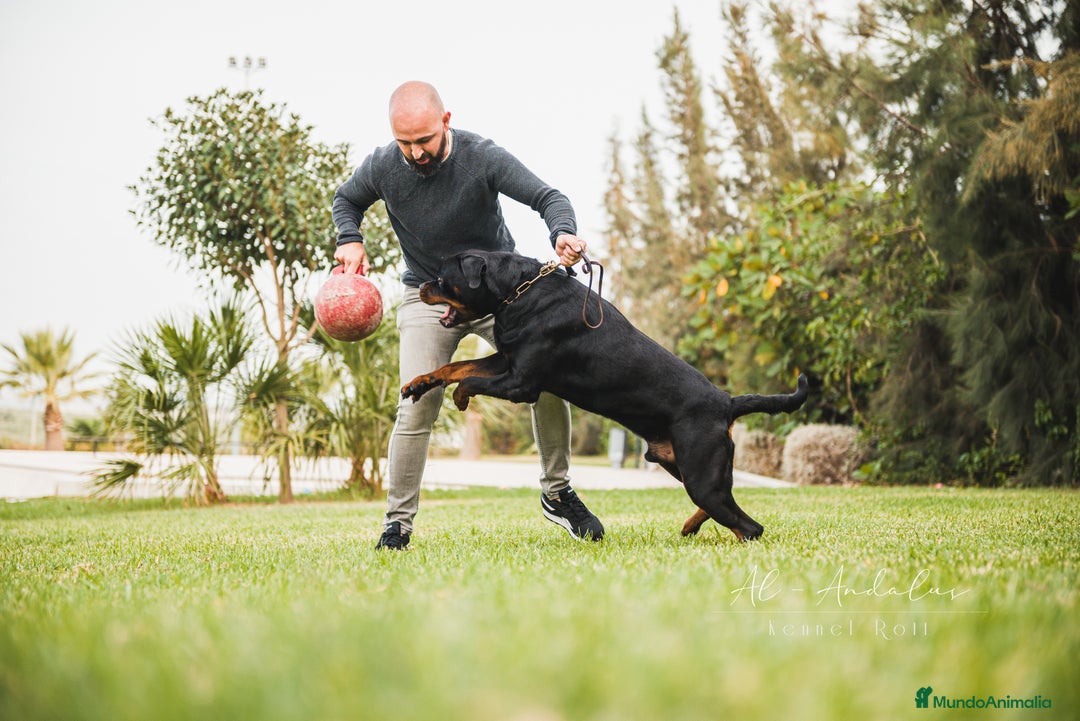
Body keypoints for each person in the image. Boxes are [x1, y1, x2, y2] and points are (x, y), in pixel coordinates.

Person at [332, 80, 604, 550]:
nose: (416, 153)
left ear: (446, 121)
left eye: (424, 140)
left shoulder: (481, 157)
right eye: (405, 143)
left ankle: (557, 493)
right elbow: (346, 199)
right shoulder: (383, 165)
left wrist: (562, 233)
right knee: (416, 403)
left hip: (499, 297)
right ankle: (397, 526)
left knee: (548, 379)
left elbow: (549, 197)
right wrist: (349, 238)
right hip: (428, 295)